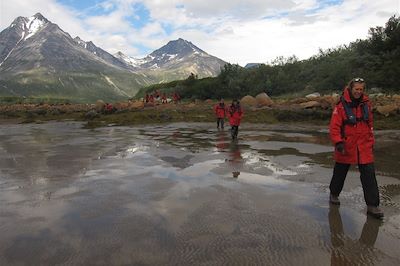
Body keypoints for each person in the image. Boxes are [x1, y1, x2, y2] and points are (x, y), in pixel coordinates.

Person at [329, 77, 383, 219]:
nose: (358, 92)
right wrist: (338, 143)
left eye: (361, 89)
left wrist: (371, 141)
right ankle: (334, 194)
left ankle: (373, 206)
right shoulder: (341, 106)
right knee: (340, 172)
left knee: (369, 175)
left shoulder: (366, 104)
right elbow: (334, 127)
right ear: (350, 89)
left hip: (364, 145)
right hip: (346, 145)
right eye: (356, 89)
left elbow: (370, 124)